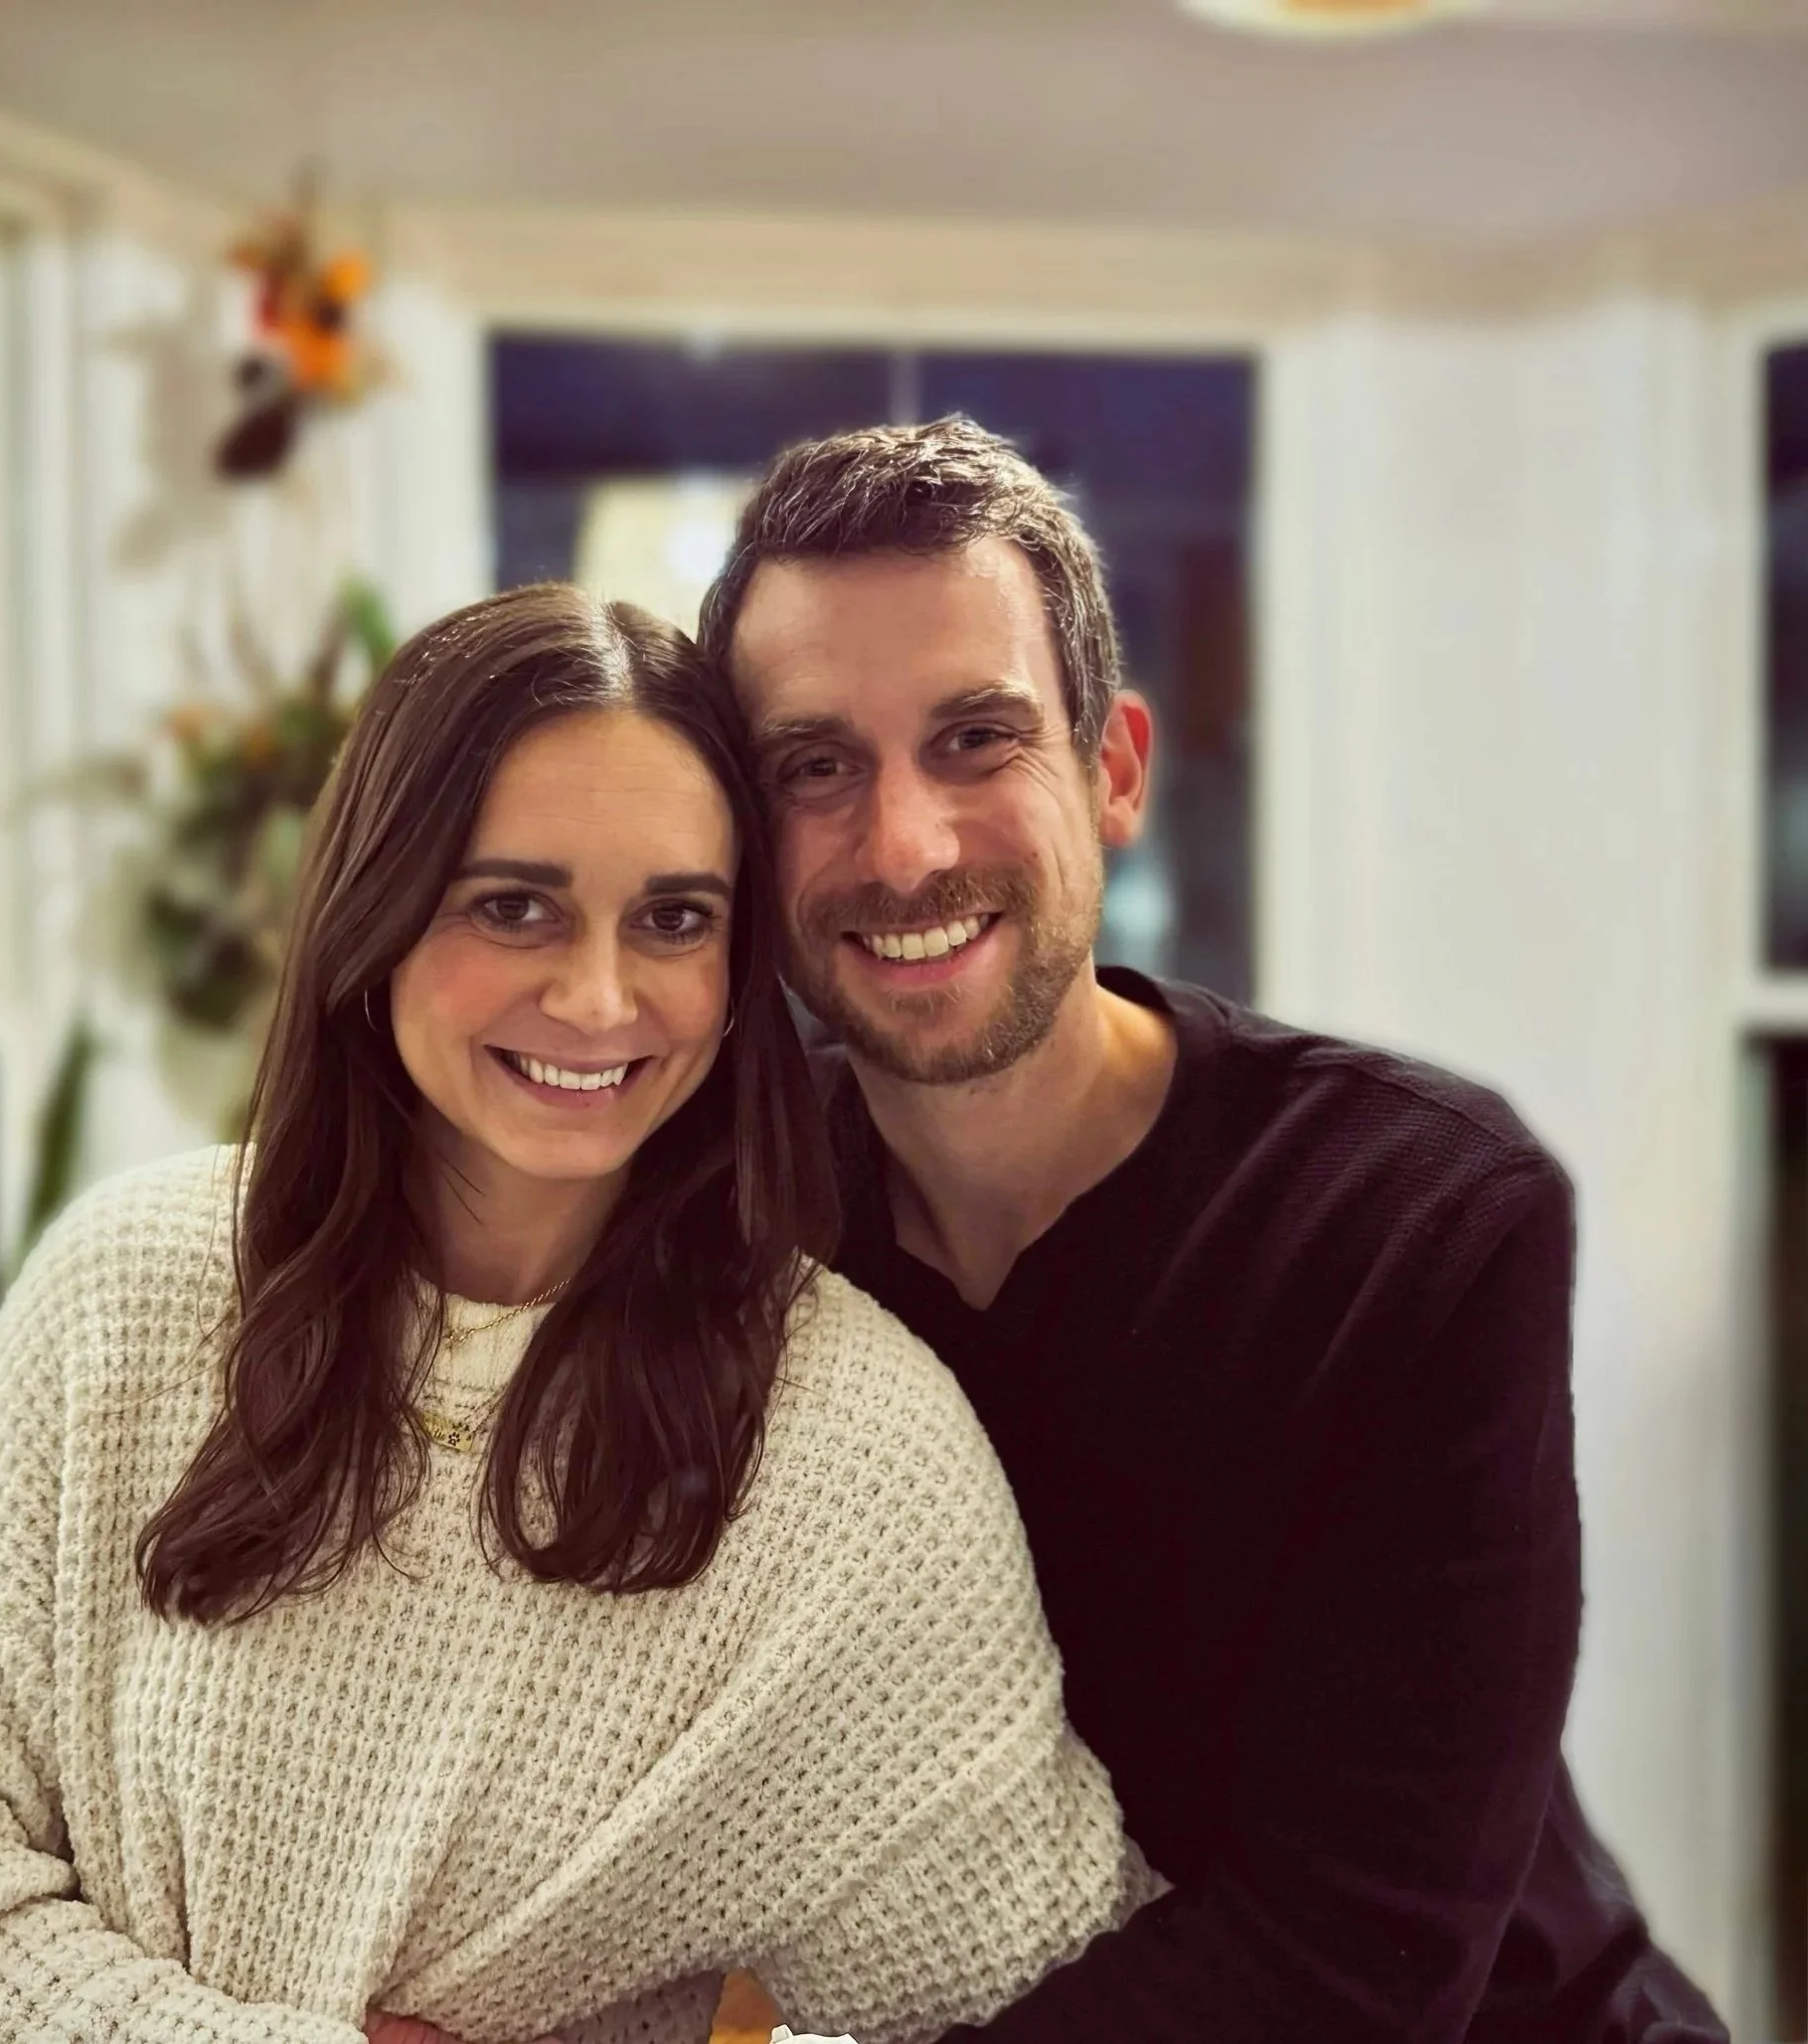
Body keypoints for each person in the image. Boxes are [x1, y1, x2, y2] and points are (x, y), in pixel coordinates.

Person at [0, 583, 1146, 2044]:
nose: (601, 996)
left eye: (675, 919)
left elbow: (1061, 1993)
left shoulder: (853, 1457)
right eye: (513, 904)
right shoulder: (126, 1286)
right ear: (379, 912)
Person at [697, 415, 1729, 2043]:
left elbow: (1349, 1969)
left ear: (1112, 770)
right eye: (815, 767)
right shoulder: (732, 1235)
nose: (903, 846)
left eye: (977, 740)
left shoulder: (1419, 1222)